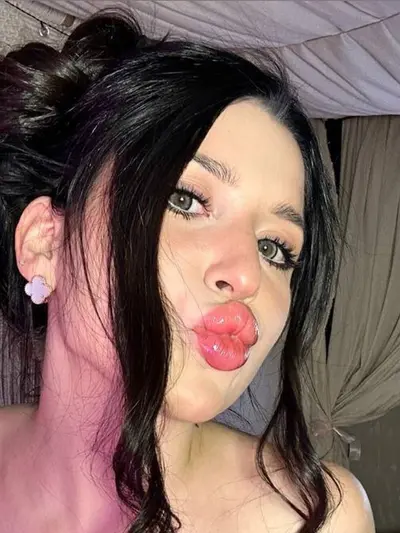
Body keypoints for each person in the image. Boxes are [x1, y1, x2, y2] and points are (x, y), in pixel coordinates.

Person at [0, 11, 374, 533]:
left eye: (275, 248)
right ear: (46, 244)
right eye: (187, 199)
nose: (247, 277)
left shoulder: (314, 518)